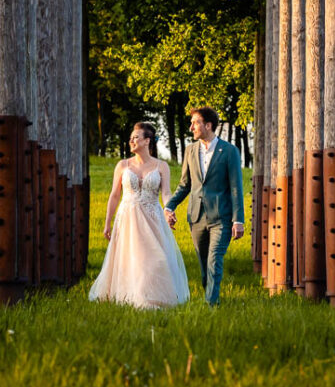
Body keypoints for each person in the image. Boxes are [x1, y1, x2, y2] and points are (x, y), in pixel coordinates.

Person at [88, 122, 190, 309]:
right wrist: (107, 223)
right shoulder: (122, 165)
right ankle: (133, 297)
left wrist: (169, 211)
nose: (131, 141)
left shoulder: (161, 166)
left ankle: (153, 297)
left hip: (152, 218)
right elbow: (114, 195)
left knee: (155, 259)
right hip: (128, 218)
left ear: (147, 141)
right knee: (131, 258)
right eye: (130, 138)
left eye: (136, 138)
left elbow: (166, 193)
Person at [163, 107, 244, 306]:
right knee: (203, 265)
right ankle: (210, 293)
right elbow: (185, 184)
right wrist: (169, 206)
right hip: (196, 217)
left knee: (214, 260)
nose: (191, 127)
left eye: (195, 122)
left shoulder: (230, 151)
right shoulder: (190, 150)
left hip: (221, 218)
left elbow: (236, 188)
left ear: (208, 125)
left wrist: (238, 220)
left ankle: (210, 304)